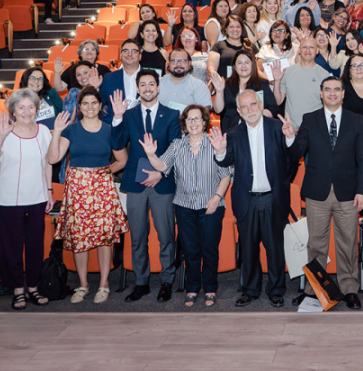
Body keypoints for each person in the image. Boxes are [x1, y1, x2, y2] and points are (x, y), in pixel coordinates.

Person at [286, 77, 363, 309]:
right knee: (316, 244)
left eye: (336, 89)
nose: (332, 93)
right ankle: (314, 290)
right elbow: (296, 154)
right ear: (321, 93)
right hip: (317, 192)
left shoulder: (356, 120)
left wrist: (362, 191)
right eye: (327, 90)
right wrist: (290, 137)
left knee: (347, 243)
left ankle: (349, 289)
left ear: (343, 93)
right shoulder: (309, 119)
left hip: (349, 193)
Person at [141, 105, 232, 307]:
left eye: (197, 119)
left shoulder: (214, 144)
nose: (193, 122)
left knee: (209, 249)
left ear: (205, 122)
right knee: (190, 251)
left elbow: (226, 175)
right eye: (189, 119)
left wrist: (217, 197)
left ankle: (210, 288)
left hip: (211, 205)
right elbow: (162, 167)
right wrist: (151, 154)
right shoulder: (177, 145)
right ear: (184, 123)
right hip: (184, 206)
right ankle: (192, 288)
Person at [48, 87, 129, 304]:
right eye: (85, 103)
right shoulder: (71, 130)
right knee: (79, 238)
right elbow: (53, 158)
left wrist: (103, 173)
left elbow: (122, 160)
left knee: (104, 238)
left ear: (101, 106)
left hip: (102, 187)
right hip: (77, 189)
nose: (90, 107)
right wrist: (56, 131)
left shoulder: (110, 129)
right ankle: (82, 285)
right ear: (79, 106)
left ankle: (104, 284)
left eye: (94, 103)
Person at [214, 90, 291, 308]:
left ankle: (276, 290)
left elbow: (292, 156)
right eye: (244, 107)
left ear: (260, 104)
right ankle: (250, 290)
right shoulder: (234, 133)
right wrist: (219, 151)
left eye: (253, 105)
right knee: (248, 249)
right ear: (239, 111)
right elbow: (225, 160)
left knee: (275, 248)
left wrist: (291, 138)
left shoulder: (277, 128)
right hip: (246, 200)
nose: (250, 110)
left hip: (272, 199)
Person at [110, 71, 182, 303]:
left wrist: (160, 173)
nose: (148, 88)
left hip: (163, 183)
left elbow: (175, 148)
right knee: (138, 236)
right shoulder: (128, 115)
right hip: (136, 183)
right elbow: (118, 143)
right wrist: (117, 118)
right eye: (143, 84)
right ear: (138, 89)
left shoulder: (172, 114)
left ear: (158, 88)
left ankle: (167, 281)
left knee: (166, 235)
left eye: (152, 84)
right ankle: (141, 282)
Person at [0, 89, 53, 310]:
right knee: (11, 246)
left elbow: (48, 163)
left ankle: (32, 286)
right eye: (21, 107)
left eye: (31, 107)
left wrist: (50, 190)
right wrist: (2, 135)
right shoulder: (4, 131)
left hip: (37, 196)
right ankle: (17, 289)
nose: (26, 111)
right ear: (13, 110)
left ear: (36, 109)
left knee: (35, 245)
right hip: (9, 198)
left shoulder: (43, 131)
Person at [211, 50, 278, 131]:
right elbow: (218, 111)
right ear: (234, 67)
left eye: (247, 62)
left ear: (252, 65)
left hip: (256, 129)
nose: (243, 66)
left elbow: (273, 109)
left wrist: (257, 114)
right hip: (231, 131)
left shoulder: (262, 84)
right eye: (239, 63)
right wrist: (219, 91)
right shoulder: (226, 84)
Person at [272, 37, 331, 129]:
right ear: (299, 50)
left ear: (317, 51)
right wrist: (277, 81)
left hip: (315, 129)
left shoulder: (324, 75)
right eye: (304, 47)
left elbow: (329, 105)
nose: (307, 50)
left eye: (311, 47)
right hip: (291, 129)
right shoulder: (287, 72)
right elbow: (278, 101)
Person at [99, 39, 142, 120]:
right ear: (120, 55)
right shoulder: (108, 78)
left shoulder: (150, 77)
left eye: (134, 51)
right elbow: (99, 105)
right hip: (115, 127)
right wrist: (94, 88)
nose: (129, 54)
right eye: (125, 51)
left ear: (140, 56)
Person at [208, 15, 254, 79]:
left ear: (242, 29)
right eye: (231, 27)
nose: (235, 30)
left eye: (238, 27)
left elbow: (256, 69)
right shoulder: (218, 46)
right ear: (226, 29)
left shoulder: (249, 46)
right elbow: (211, 69)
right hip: (224, 85)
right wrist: (220, 82)